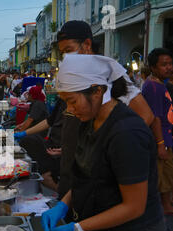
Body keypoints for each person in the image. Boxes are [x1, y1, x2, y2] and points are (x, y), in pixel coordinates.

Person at [42, 54, 165, 231]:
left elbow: (134, 206)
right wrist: (63, 204)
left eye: (72, 101)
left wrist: (77, 228)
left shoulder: (126, 133)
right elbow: (85, 175)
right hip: (102, 225)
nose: (69, 109)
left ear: (97, 91)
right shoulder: (90, 121)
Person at [53, 20, 158, 199]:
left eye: (69, 50)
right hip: (75, 167)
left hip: (97, 175)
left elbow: (146, 115)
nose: (66, 59)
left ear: (86, 45)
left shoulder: (108, 73)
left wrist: (112, 148)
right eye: (63, 54)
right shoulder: (73, 75)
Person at [142, 48, 173, 215]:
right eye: (164, 65)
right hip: (161, 139)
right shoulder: (153, 87)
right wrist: (160, 144)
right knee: (164, 174)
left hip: (167, 137)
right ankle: (165, 205)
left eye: (170, 63)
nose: (168, 67)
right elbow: (155, 118)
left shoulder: (161, 84)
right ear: (153, 68)